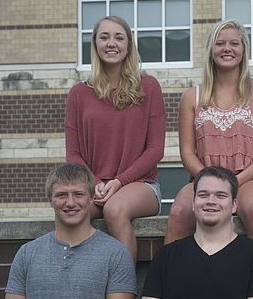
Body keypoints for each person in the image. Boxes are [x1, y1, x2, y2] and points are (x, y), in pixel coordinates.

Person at [164, 19, 253, 258]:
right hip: (203, 179)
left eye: (234, 43)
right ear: (211, 50)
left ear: (243, 50)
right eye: (220, 44)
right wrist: (209, 182)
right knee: (178, 211)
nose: (227, 48)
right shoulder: (192, 97)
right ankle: (166, 282)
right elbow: (187, 153)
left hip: (252, 179)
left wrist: (234, 182)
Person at [65, 16, 165, 262]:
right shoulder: (79, 94)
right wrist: (96, 182)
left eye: (119, 38)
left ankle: (124, 288)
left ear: (129, 45)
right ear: (95, 44)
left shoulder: (148, 86)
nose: (112, 43)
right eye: (104, 37)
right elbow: (73, 154)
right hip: (94, 186)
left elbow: (155, 149)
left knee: (115, 208)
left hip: (141, 185)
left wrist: (119, 182)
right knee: (71, 210)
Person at [143, 166, 253, 299]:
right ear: (193, 203)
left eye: (220, 196)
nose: (211, 201)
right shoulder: (165, 257)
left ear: (234, 205)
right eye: (203, 195)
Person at [5, 163, 137, 299]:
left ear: (92, 198)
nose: (70, 203)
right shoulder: (26, 254)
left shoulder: (116, 254)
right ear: (50, 200)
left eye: (78, 194)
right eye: (61, 195)